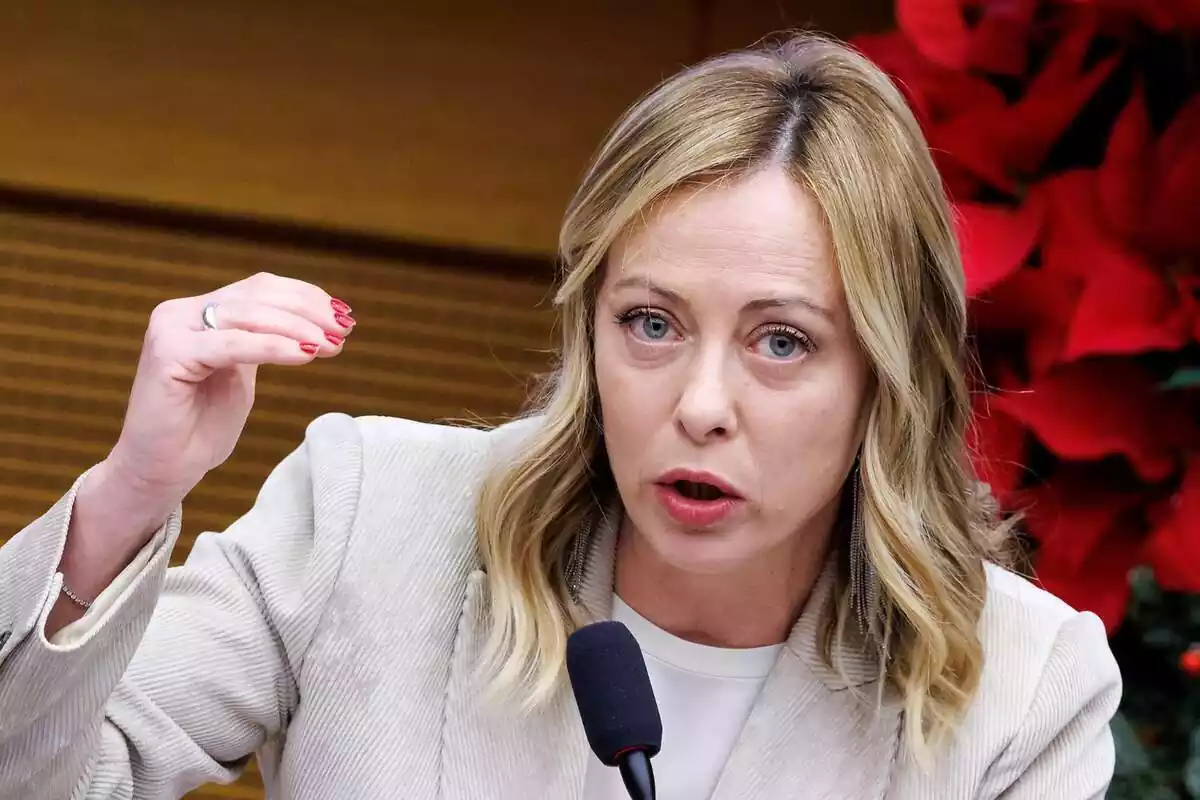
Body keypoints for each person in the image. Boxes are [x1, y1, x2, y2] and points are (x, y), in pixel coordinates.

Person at [0, 33, 1121, 800]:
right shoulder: (367, 518)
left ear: (886, 371)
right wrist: (130, 495)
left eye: (783, 341)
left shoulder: (1025, 687)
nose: (699, 405)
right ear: (588, 325)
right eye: (650, 322)